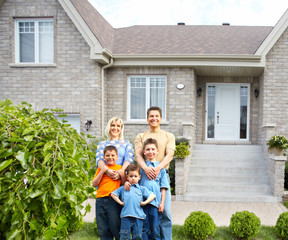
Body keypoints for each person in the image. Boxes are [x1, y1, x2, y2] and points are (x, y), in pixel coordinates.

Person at [135, 106, 175, 240]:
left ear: (161, 118)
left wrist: (158, 169)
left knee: (165, 212)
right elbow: (138, 155)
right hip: (145, 177)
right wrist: (146, 169)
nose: (154, 118)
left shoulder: (168, 136)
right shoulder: (141, 136)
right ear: (147, 119)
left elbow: (170, 154)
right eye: (151, 116)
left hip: (162, 176)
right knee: (145, 212)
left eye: (156, 116)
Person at [111, 164, 156, 240]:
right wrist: (120, 202)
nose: (133, 178)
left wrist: (145, 202)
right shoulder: (123, 188)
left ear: (139, 177)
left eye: (135, 176)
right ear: (127, 177)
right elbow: (113, 194)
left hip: (138, 216)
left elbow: (152, 195)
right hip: (126, 216)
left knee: (138, 236)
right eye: (131, 176)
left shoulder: (141, 189)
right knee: (124, 236)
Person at [92, 145, 126, 240]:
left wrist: (122, 174)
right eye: (107, 155)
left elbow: (123, 185)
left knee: (115, 224)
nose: (110, 157)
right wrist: (102, 171)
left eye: (112, 155)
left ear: (117, 157)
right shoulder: (102, 169)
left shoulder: (120, 168)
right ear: (103, 157)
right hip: (100, 200)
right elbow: (94, 184)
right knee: (102, 226)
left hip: (113, 200)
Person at [139, 138, 169, 240]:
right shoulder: (141, 168)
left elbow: (163, 187)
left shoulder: (161, 169)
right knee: (144, 228)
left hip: (155, 204)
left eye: (153, 149)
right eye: (147, 149)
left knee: (155, 228)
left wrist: (162, 203)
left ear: (157, 151)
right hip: (142, 204)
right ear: (144, 152)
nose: (150, 152)